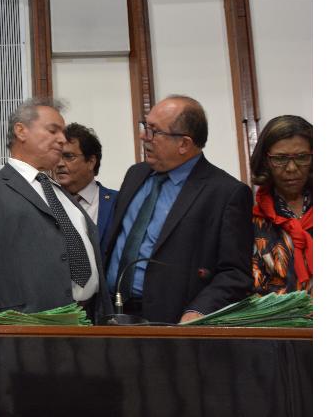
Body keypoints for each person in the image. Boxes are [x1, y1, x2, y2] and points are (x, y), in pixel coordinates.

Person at [0, 98, 111, 323]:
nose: (62, 139)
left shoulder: (62, 193)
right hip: (26, 325)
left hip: (87, 321)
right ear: (21, 131)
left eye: (63, 133)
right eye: (53, 130)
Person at [104, 95, 253, 324]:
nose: (144, 136)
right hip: (111, 314)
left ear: (184, 144)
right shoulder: (135, 175)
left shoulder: (225, 193)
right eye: (145, 127)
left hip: (173, 322)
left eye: (154, 131)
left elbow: (235, 273)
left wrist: (199, 310)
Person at [249, 115, 312, 295]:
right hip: (277, 312)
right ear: (265, 161)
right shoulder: (251, 220)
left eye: (302, 157)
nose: (291, 168)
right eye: (280, 158)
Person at [54, 123, 118, 255]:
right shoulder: (45, 201)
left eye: (68, 156)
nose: (59, 164)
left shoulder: (118, 202)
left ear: (91, 162)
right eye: (56, 156)